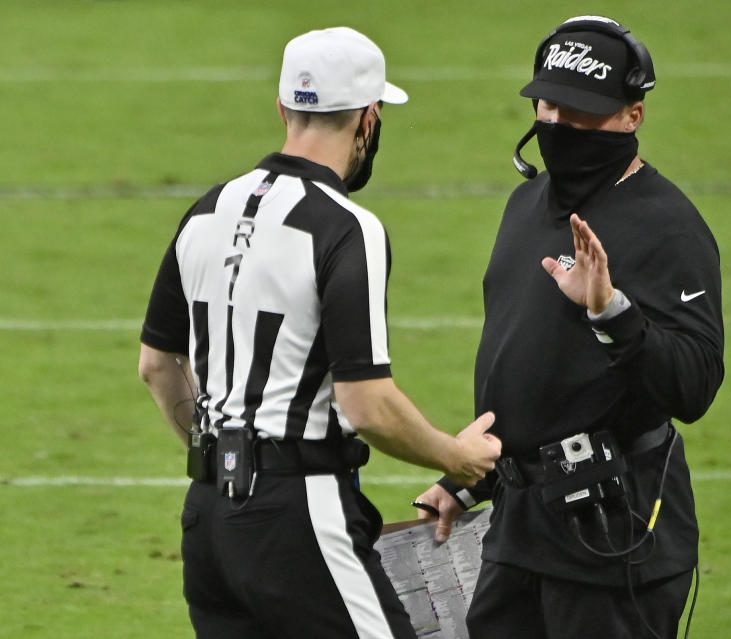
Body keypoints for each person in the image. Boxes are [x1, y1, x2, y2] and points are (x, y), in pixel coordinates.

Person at [138, 27, 501, 639]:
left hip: (207, 519)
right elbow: (368, 405)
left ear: (283, 108)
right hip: (300, 514)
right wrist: (456, 458)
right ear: (369, 117)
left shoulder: (205, 210)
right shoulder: (347, 227)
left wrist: (228, 464)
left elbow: (156, 364)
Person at [413, 16, 724, 639]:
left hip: (615, 536)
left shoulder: (669, 227)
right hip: (520, 530)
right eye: (548, 105)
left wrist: (612, 310)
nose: (557, 125)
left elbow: (693, 387)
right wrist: (467, 481)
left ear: (632, 116)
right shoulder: (526, 205)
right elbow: (529, 369)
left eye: (580, 113)